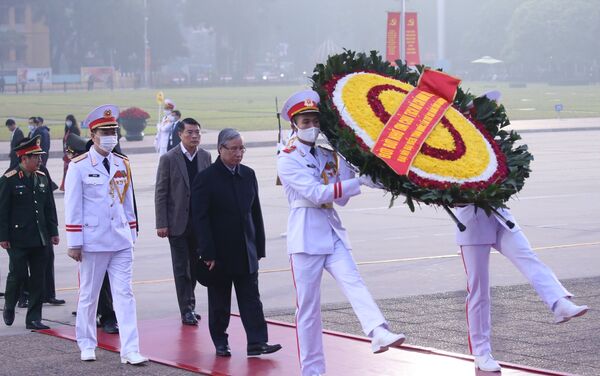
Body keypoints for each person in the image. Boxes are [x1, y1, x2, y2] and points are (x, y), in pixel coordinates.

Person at [276, 90, 406, 376]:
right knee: (308, 310)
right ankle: (312, 371)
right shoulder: (286, 158)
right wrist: (359, 182)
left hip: (331, 230)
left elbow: (343, 196)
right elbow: (315, 193)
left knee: (354, 281)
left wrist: (362, 166)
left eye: (314, 120)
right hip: (306, 237)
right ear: (294, 124)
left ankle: (377, 330)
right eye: (305, 121)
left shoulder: (326, 154)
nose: (311, 126)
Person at [454, 205, 589, 372]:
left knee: (528, 258)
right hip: (471, 224)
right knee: (479, 290)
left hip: (500, 217)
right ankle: (481, 352)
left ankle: (559, 303)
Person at [64, 104, 147, 364]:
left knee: (125, 294)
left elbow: (127, 204)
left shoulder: (122, 163)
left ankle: (130, 349)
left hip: (120, 240)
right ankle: (87, 344)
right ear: (93, 134)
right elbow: (73, 207)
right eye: (105, 130)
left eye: (114, 129)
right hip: (93, 241)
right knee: (89, 295)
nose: (112, 134)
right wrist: (74, 242)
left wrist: (131, 234)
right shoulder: (79, 166)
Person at [191, 128, 282, 358]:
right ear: (221, 149)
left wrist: (259, 247)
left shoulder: (248, 175)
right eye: (233, 149)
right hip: (219, 253)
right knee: (220, 302)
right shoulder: (206, 178)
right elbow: (200, 219)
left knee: (252, 300)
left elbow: (255, 213)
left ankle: (257, 342)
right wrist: (207, 252)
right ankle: (221, 342)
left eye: (242, 148)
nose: (238, 153)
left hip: (246, 250)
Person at [155, 118, 211, 325]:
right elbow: (161, 191)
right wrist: (161, 222)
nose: (194, 136)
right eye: (190, 132)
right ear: (180, 134)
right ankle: (186, 309)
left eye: (197, 132)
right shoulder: (169, 158)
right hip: (178, 222)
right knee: (182, 268)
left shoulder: (205, 156)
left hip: (200, 223)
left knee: (196, 268)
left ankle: (191, 305)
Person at [0, 136, 59, 330]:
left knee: (38, 278)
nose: (40, 161)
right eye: (36, 157)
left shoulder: (42, 177)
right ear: (24, 158)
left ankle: (33, 318)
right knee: (17, 274)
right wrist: (3, 236)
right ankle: (9, 304)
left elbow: (49, 207)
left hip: (40, 237)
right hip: (17, 238)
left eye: (40, 157)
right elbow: (2, 210)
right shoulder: (8, 180)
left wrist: (53, 231)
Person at [60, 114, 81, 191]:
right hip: (67, 152)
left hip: (72, 153)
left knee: (70, 170)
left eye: (69, 121)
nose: (68, 122)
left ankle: (71, 186)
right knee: (66, 170)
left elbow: (75, 142)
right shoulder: (67, 130)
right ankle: (65, 186)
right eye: (67, 121)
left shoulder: (75, 130)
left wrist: (71, 153)